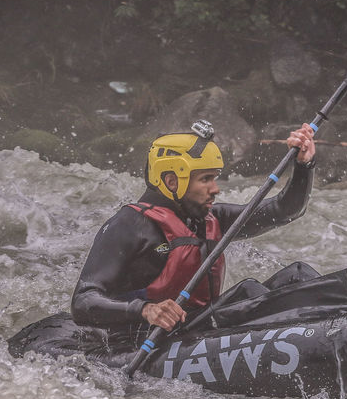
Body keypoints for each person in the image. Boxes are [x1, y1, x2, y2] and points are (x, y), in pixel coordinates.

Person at [71, 120, 316, 346]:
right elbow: (83, 301)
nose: (215, 189)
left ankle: (339, 326)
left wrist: (303, 165)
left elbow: (285, 210)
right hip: (144, 339)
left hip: (199, 327)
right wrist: (145, 310)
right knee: (249, 291)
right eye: (206, 179)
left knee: (298, 274)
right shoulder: (129, 225)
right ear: (172, 181)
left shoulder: (212, 219)